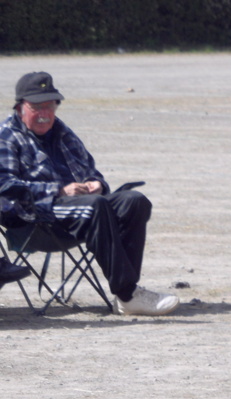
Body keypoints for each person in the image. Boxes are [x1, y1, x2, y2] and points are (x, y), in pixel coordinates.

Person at [0, 72, 180, 315]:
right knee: (95, 206)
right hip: (35, 217)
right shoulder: (7, 136)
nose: (45, 114)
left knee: (134, 201)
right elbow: (4, 183)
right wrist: (58, 190)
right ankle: (128, 294)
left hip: (82, 210)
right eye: (37, 107)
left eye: (50, 106)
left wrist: (96, 183)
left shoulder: (62, 132)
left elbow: (91, 170)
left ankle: (125, 292)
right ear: (21, 106)